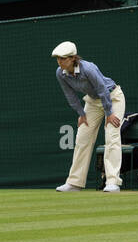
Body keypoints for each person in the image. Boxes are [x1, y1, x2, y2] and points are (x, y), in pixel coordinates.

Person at [51, 42, 126, 193]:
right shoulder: (60, 72)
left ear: (73, 58)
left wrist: (108, 113)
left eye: (63, 58)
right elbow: (70, 95)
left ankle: (113, 182)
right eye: (58, 58)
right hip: (92, 102)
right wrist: (81, 114)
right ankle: (74, 182)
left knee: (111, 137)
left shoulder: (88, 68)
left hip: (112, 98)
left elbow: (102, 89)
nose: (60, 62)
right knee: (82, 138)